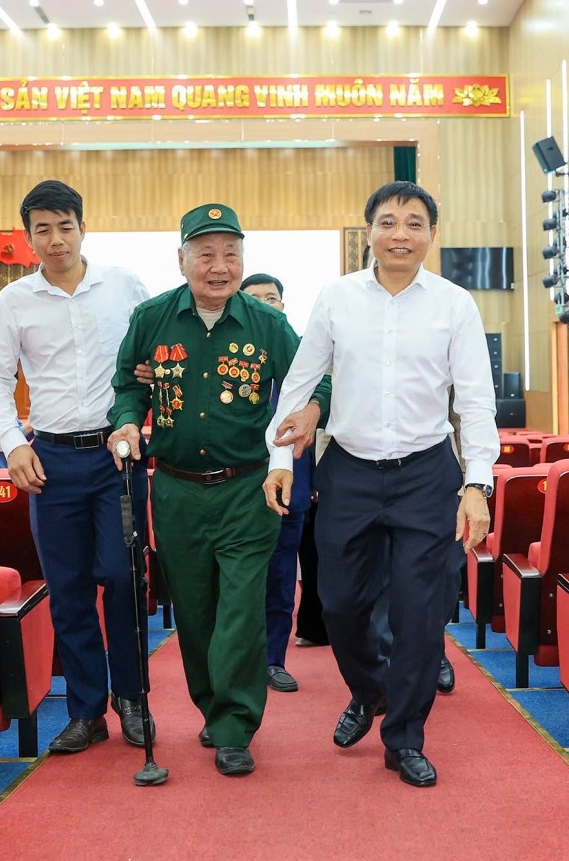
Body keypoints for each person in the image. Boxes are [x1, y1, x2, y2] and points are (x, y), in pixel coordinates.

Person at [263, 181, 497, 787]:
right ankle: (369, 691)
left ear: (431, 236)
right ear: (369, 231)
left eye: (414, 223)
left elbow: (474, 401)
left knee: (421, 614)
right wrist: (280, 462)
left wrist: (478, 484)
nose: (400, 234)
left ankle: (405, 737)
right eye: (388, 222)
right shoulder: (337, 298)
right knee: (338, 605)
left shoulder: (454, 304)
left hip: (425, 474)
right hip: (350, 471)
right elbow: (300, 382)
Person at [107, 203, 330, 777]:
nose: (219, 266)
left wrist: (310, 409)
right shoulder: (152, 318)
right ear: (181, 259)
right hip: (176, 493)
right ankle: (212, 708)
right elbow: (125, 385)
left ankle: (236, 725)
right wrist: (128, 420)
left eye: (231, 254)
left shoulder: (267, 324)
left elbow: (317, 374)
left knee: (239, 612)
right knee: (197, 612)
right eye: (205, 253)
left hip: (246, 491)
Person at [0, 179, 154, 756]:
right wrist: (12, 445)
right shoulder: (13, 301)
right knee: (70, 589)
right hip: (49, 459)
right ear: (29, 239)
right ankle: (86, 710)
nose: (55, 240)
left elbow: (154, 354)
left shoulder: (124, 286)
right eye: (42, 231)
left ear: (83, 227)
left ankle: (132, 699)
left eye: (65, 227)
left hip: (115, 456)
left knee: (123, 578)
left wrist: (148, 387)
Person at [240, 272, 313, 693]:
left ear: (284, 306)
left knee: (282, 578)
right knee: (238, 583)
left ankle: (273, 659)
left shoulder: (303, 355)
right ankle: (239, 662)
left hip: (290, 487)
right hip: (237, 487)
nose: (266, 305)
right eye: (256, 299)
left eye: (273, 298)